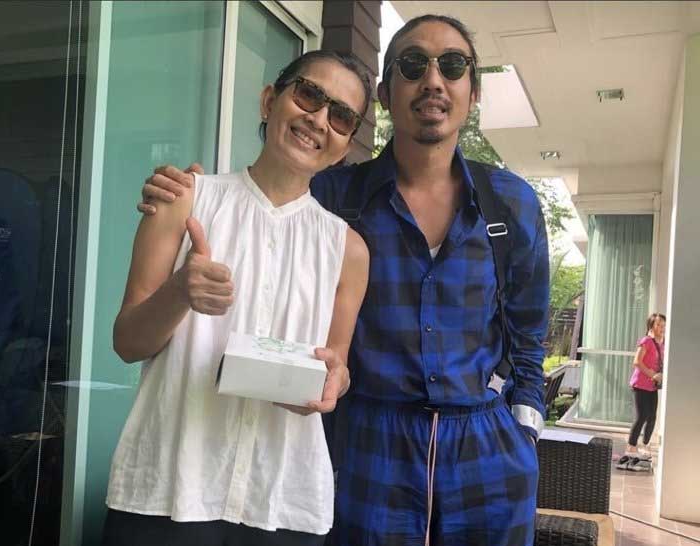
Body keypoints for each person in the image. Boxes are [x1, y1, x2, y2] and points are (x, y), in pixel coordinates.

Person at [139, 15, 549, 546]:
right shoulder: (334, 196)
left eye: (452, 66)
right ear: (385, 93)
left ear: (473, 93)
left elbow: (528, 335)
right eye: (412, 64)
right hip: (368, 448)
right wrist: (188, 191)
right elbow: (263, 210)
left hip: (485, 453)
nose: (433, 80)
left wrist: (523, 437)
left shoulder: (510, 204)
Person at [102, 50, 371, 546]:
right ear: (270, 101)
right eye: (309, 95)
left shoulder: (348, 250)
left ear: (344, 146)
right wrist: (179, 292)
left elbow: (335, 364)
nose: (318, 119)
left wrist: (332, 381)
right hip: (168, 487)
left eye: (340, 116)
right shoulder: (184, 200)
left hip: (281, 499)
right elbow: (127, 342)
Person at [617, 313, 666, 472]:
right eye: (658, 324)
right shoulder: (646, 341)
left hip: (652, 386)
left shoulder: (663, 343)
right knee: (642, 416)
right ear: (651, 326)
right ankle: (631, 447)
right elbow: (637, 362)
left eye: (663, 325)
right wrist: (653, 374)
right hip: (640, 384)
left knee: (652, 417)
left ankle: (645, 445)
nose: (661, 328)